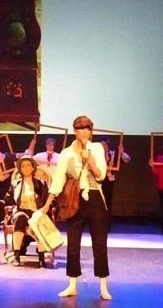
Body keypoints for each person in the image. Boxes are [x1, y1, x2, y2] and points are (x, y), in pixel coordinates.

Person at [42, 115, 112, 300]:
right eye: (80, 128)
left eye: (87, 128)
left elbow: (101, 176)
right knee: (73, 245)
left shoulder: (96, 148)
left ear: (91, 130)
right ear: (75, 131)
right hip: (74, 200)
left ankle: (103, 286)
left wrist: (89, 161)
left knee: (99, 244)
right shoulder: (66, 152)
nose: (84, 132)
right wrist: (47, 204)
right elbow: (58, 179)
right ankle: (72, 284)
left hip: (95, 198)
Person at [1, 156, 50, 268]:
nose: (26, 168)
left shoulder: (40, 184)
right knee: (20, 218)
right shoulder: (16, 184)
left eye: (28, 165)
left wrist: (44, 210)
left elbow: (49, 200)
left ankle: (41, 258)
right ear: (20, 169)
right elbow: (7, 201)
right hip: (21, 211)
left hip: (36, 212)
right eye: (23, 166)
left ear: (33, 168)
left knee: (39, 220)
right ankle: (16, 255)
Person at [98, 137, 131, 215]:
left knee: (107, 200)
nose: (103, 146)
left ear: (108, 146)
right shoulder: (97, 156)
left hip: (108, 180)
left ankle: (106, 220)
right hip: (98, 180)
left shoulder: (112, 155)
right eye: (101, 145)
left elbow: (127, 159)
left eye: (104, 145)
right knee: (98, 201)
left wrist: (122, 152)